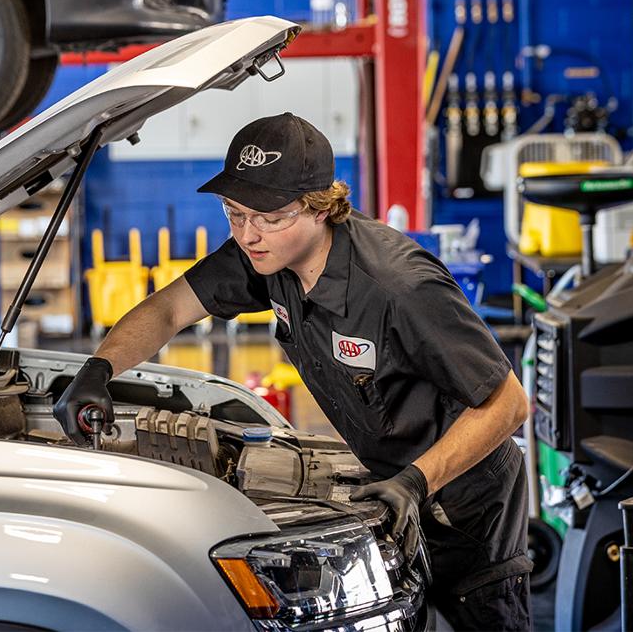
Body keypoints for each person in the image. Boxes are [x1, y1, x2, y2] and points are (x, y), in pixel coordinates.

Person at [55, 113, 532, 630]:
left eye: (269, 217)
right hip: (390, 481)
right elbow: (168, 309)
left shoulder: (400, 287)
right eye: (234, 213)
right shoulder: (264, 256)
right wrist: (99, 368)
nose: (248, 234)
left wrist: (416, 482)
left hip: (465, 502)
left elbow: (508, 403)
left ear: (320, 207)